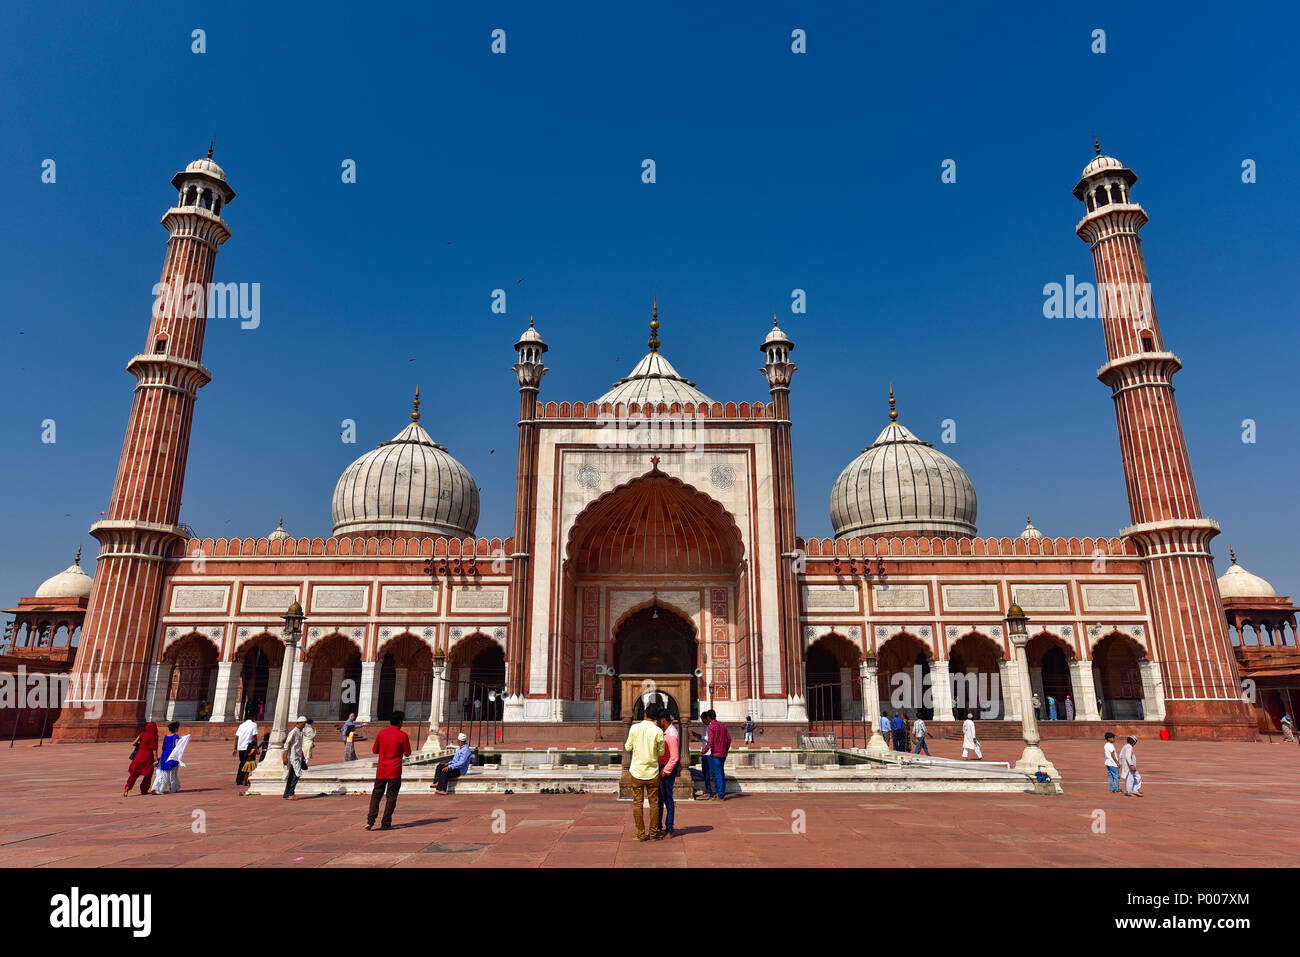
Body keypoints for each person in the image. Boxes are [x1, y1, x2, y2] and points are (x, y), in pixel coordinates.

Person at [624, 702, 665, 840]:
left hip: (637, 771)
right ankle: (653, 834)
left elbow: (628, 747)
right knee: (654, 804)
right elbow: (661, 751)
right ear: (655, 718)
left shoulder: (634, 728)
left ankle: (641, 834)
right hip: (652, 772)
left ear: (645, 714)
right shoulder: (658, 731)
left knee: (637, 803)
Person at [366, 710, 412, 829]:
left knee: (376, 795)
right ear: (400, 722)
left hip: (382, 770)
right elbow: (407, 753)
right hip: (395, 770)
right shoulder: (402, 735)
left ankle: (370, 821)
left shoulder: (382, 734)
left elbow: (375, 750)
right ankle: (386, 823)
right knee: (391, 797)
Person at [656, 707, 680, 839]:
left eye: (659, 721)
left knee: (668, 800)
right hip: (663, 767)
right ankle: (659, 827)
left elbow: (675, 757)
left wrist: (664, 772)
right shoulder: (666, 732)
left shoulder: (671, 735)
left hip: (667, 770)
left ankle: (669, 829)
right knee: (660, 799)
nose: (658, 724)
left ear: (663, 720)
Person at [124, 721, 158, 796]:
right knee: (148, 775)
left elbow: (134, 743)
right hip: (148, 757)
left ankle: (127, 788)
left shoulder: (142, 734)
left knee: (134, 774)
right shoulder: (154, 736)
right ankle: (144, 790)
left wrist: (141, 744)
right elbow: (154, 749)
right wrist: (156, 760)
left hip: (138, 756)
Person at [152, 722, 188, 794]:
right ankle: (170, 789)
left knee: (164, 773)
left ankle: (157, 787)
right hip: (172, 756)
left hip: (164, 756)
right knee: (173, 773)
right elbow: (177, 747)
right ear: (175, 729)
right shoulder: (175, 736)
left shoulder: (166, 737)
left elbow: (163, 747)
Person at [705, 711, 732, 800]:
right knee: (721, 773)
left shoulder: (711, 726)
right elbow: (729, 739)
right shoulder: (723, 725)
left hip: (716, 753)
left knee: (717, 774)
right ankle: (720, 793)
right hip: (723, 753)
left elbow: (710, 742)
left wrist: (704, 751)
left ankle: (720, 795)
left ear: (709, 717)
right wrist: (726, 749)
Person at [283, 716, 308, 800]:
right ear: (299, 723)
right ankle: (291, 793)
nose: (304, 726)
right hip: (292, 756)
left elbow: (299, 746)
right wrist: (285, 757)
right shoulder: (293, 732)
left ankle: (286, 793)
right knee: (298, 773)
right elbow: (286, 744)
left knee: (291, 775)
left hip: (298, 756)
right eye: (303, 724)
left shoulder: (300, 732)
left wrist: (303, 756)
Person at [234, 709, 259, 785]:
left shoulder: (241, 725)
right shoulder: (254, 725)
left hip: (240, 747)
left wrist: (235, 748)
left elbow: (237, 736)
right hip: (248, 747)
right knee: (246, 764)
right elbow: (254, 737)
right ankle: (240, 780)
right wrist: (256, 748)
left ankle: (240, 779)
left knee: (242, 763)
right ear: (253, 717)